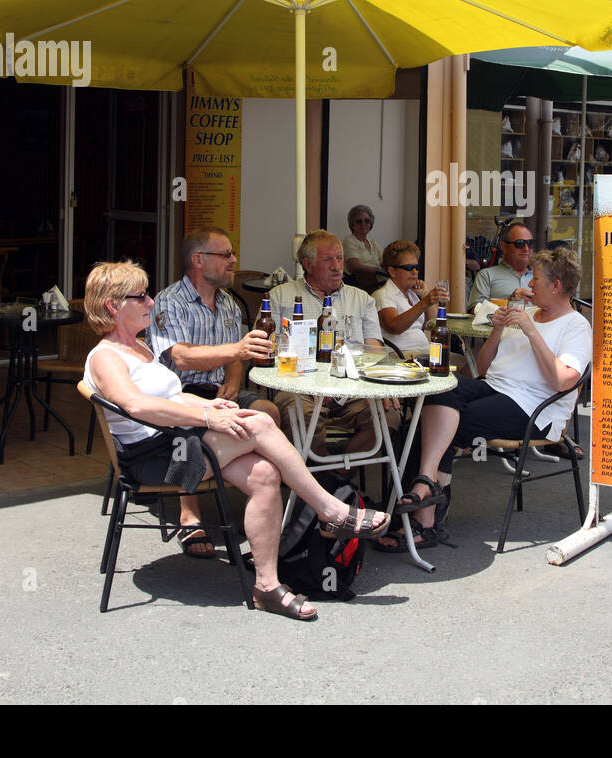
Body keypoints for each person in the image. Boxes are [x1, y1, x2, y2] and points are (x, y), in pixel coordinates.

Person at [81, 260, 391, 621]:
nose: (151, 302)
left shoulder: (139, 348)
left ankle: (267, 586)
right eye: (142, 297)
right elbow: (137, 405)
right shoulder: (105, 356)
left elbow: (172, 397)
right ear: (113, 306)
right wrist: (209, 416)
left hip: (178, 441)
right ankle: (331, 510)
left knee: (263, 474)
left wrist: (210, 403)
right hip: (154, 458)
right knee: (259, 422)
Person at [377, 247, 590, 552]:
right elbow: (486, 366)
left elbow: (561, 380)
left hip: (534, 408)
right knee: (440, 388)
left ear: (556, 286)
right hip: (495, 388)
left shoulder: (575, 326)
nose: (529, 284)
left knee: (445, 422)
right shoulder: (527, 312)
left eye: (536, 279)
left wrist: (531, 332)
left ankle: (424, 518)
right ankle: (425, 487)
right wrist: (498, 330)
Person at [146, 227, 275, 558]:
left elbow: (236, 356)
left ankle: (257, 500)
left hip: (217, 387)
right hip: (178, 389)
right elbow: (181, 356)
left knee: (268, 412)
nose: (234, 260)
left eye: (233, 254)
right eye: (226, 254)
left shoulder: (229, 304)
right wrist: (237, 351)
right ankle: (189, 514)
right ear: (198, 260)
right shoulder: (169, 301)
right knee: (191, 427)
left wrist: (234, 379)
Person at [270, 230, 395, 455]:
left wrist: (379, 387)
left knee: (388, 415)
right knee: (299, 416)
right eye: (328, 259)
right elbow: (271, 352)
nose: (337, 267)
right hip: (299, 386)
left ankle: (334, 479)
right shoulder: (280, 297)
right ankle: (328, 483)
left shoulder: (362, 299)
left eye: (340, 258)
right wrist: (310, 382)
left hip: (352, 387)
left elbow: (374, 349)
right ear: (307, 264)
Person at [373, 240, 448, 356]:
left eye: (416, 267)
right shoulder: (383, 295)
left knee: (465, 363)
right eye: (408, 267)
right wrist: (424, 302)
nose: (414, 272)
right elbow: (394, 326)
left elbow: (433, 324)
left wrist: (425, 296)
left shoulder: (412, 294)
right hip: (403, 356)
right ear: (392, 271)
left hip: (425, 353)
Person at [467, 221, 535, 310]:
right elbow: (474, 310)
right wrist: (509, 302)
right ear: (504, 247)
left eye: (530, 243)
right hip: (502, 323)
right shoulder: (487, 275)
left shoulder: (542, 276)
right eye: (519, 243)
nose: (526, 248)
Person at [342, 205, 382, 289]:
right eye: (359, 221)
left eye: (367, 221)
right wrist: (376, 270)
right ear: (352, 225)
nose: (363, 224)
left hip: (377, 280)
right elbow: (353, 266)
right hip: (360, 284)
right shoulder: (349, 241)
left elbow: (383, 260)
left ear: (371, 224)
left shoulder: (372, 242)